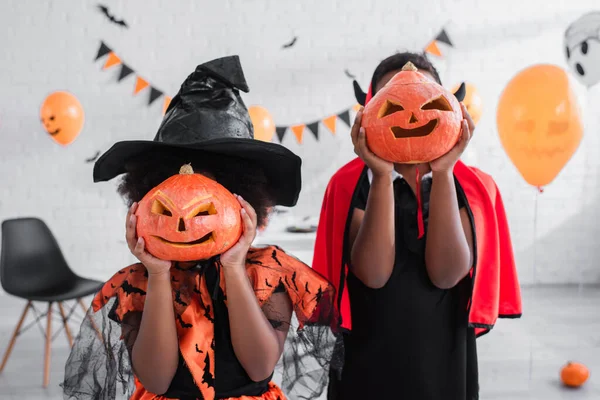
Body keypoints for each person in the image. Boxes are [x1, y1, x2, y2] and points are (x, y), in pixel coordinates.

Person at [62, 55, 336, 400]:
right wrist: (158, 274)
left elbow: (259, 366)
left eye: (206, 203)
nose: (185, 219)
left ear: (244, 201)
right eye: (169, 202)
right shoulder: (138, 283)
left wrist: (234, 267)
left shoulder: (267, 272)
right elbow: (157, 381)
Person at [312, 52, 522, 399]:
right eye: (391, 104)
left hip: (442, 360)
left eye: (426, 100)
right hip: (366, 360)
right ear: (367, 113)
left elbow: (446, 274)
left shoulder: (472, 188)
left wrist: (443, 172)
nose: (411, 113)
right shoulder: (350, 185)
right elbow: (373, 274)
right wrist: (381, 175)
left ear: (447, 107)